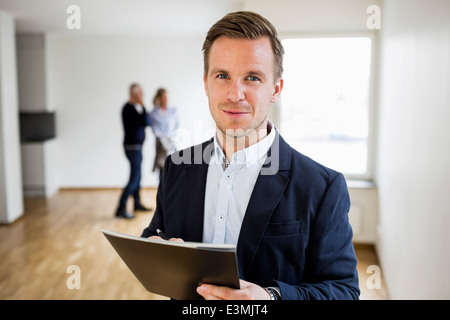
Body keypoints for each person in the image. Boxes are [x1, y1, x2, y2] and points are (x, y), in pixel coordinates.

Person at [141, 11, 360, 300]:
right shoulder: (177, 167)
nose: (235, 93)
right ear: (206, 84)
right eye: (222, 76)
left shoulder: (322, 187)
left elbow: (344, 291)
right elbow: (157, 232)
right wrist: (155, 245)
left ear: (276, 89)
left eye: (253, 77)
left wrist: (272, 298)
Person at [115, 83, 153, 219]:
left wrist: (142, 107)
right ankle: (121, 208)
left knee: (138, 176)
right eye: (141, 93)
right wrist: (143, 106)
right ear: (134, 94)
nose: (143, 95)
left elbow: (148, 122)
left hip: (137, 147)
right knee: (134, 178)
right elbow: (144, 121)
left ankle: (137, 203)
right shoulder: (128, 108)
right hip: (132, 147)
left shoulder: (135, 107)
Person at [149, 88, 179, 181]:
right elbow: (155, 129)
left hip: (171, 142)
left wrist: (173, 139)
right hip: (161, 143)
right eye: (164, 97)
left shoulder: (172, 111)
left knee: (172, 167)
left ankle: (170, 193)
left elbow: (176, 125)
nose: (166, 99)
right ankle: (162, 193)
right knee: (162, 168)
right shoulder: (154, 113)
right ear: (159, 98)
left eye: (167, 97)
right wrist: (163, 140)